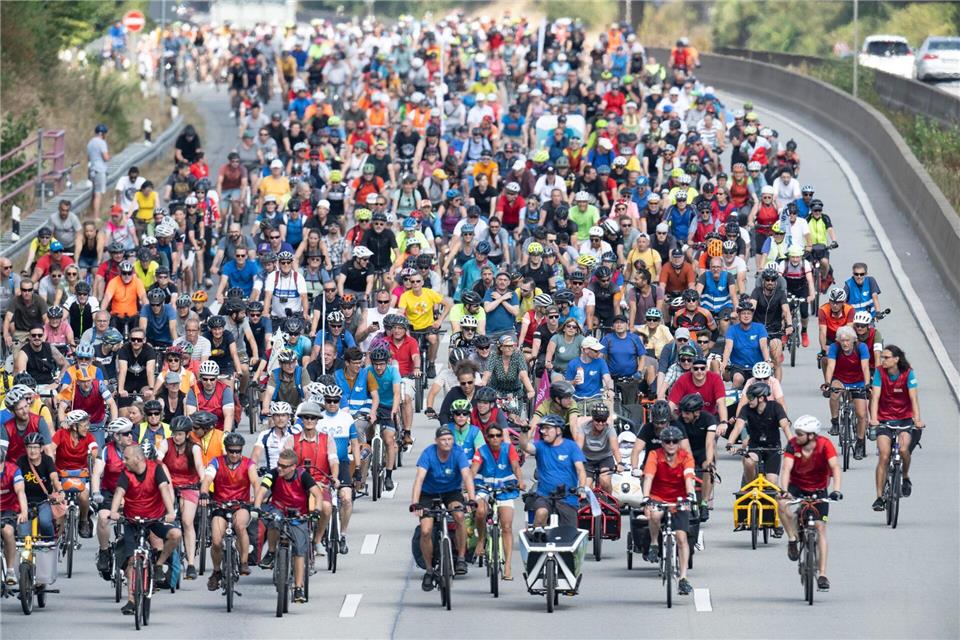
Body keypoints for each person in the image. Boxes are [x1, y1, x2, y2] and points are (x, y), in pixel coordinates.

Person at [108, 442, 182, 608]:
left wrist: (170, 513)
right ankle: (131, 601)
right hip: (132, 521)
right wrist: (113, 511)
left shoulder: (156, 469)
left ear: (138, 458)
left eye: (126, 458)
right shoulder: (126, 473)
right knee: (132, 561)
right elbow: (119, 492)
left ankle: (159, 564)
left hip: (154, 519)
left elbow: (164, 489)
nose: (124, 461)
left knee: (175, 535)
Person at [776, 415, 843, 593]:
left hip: (819, 489)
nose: (796, 437)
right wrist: (784, 490)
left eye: (800, 434)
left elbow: (835, 467)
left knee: (820, 528)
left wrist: (836, 490)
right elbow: (786, 469)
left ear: (812, 435)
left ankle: (822, 574)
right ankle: (792, 538)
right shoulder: (793, 445)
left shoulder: (825, 445)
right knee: (781, 504)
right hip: (796, 486)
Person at [410, 425, 477, 590]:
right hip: (428, 493)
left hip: (451, 492)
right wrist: (415, 503)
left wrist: (472, 499)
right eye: (443, 440)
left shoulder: (458, 453)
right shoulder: (428, 453)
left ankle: (461, 558)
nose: (447, 443)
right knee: (426, 530)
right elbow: (419, 478)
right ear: (436, 441)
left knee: (460, 516)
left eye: (449, 440)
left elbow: (467, 476)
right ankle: (429, 570)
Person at [254, 448, 323, 604]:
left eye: (284, 466)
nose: (280, 468)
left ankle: (298, 587)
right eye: (279, 464)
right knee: (273, 520)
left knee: (299, 549)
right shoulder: (273, 474)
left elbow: (317, 494)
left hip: (299, 514)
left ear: (293, 467)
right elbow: (262, 490)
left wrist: (317, 510)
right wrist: (257, 507)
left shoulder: (303, 476)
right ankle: (271, 552)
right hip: (278, 508)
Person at [639, 424, 696, 596]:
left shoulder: (686, 457)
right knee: (654, 514)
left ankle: (683, 578)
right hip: (658, 495)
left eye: (674, 441)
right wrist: (646, 498)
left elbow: (689, 479)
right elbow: (648, 476)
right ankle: (655, 544)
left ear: (679, 443)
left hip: (679, 499)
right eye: (667, 441)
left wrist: (691, 496)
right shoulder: (654, 455)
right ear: (662, 443)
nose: (671, 444)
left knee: (681, 537)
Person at [200, 431, 259, 590]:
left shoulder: (249, 464)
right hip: (220, 504)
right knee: (217, 541)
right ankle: (217, 571)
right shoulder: (216, 462)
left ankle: (244, 562)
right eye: (231, 450)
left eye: (238, 451)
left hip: (241, 504)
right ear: (226, 449)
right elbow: (207, 479)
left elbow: (255, 481)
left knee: (240, 526)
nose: (234, 454)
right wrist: (204, 492)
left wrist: (256, 498)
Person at [869, 345, 923, 511]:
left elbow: (913, 398)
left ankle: (905, 476)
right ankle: (879, 497)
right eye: (882, 357)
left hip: (904, 420)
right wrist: (874, 419)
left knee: (904, 450)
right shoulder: (879, 372)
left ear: (896, 359)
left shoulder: (908, 373)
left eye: (886, 357)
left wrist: (918, 420)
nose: (882, 360)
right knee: (884, 456)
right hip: (885, 420)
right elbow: (875, 396)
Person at [470, 422, 524, 580]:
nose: (495, 439)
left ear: (502, 438)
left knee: (506, 526)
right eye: (491, 436)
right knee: (480, 511)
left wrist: (520, 481)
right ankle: (480, 540)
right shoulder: (481, 451)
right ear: (487, 438)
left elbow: (515, 466)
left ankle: (507, 566)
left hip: (505, 491)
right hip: (484, 488)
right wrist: (468, 486)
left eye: (498, 435)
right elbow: (473, 469)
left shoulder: (509, 449)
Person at [516, 414, 586, 533]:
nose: (543, 432)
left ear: (558, 430)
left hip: (568, 497)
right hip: (544, 495)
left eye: (548, 428)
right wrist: (524, 431)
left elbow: (580, 470)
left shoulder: (571, 446)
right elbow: (525, 446)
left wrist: (582, 488)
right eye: (542, 428)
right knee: (541, 512)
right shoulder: (540, 446)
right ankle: (538, 537)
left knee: (569, 534)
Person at [285, 400, 339, 555]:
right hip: (297, 485)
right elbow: (285, 461)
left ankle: (317, 540)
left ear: (317, 420)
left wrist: (334, 477)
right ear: (302, 419)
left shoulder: (326, 439)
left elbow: (334, 461)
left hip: (320, 484)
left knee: (327, 508)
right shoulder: (292, 439)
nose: (309, 420)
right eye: (306, 417)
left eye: (313, 418)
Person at [317, 384, 360, 555]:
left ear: (340, 401)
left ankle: (342, 534)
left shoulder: (347, 418)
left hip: (341, 463)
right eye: (329, 400)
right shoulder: (318, 419)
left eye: (335, 401)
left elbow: (355, 444)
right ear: (324, 401)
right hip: (322, 464)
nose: (332, 403)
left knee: (347, 499)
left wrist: (357, 467)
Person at [91, 417, 135, 577]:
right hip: (110, 492)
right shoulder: (105, 450)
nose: (130, 436)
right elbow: (96, 473)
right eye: (126, 434)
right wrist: (95, 493)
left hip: (133, 493)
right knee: (103, 518)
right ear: (116, 436)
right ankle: (104, 552)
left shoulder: (137, 449)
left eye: (131, 432)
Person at [162, 416, 203, 579]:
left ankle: (191, 563)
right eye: (174, 434)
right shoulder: (166, 443)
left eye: (180, 434)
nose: (176, 437)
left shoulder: (194, 448)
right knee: (167, 520)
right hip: (168, 484)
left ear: (187, 434)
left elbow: (200, 466)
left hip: (190, 485)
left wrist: (204, 485)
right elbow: (158, 458)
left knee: (187, 521)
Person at [822, 325, 870, 459]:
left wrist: (867, 384)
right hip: (841, 379)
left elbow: (865, 367)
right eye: (842, 340)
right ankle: (835, 422)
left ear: (853, 340)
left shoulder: (861, 347)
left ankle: (860, 444)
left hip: (858, 381)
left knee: (861, 415)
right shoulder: (834, 347)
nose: (845, 343)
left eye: (847, 340)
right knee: (834, 393)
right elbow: (831, 366)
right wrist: (827, 382)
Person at [16, 432, 62, 541]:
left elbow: (54, 477)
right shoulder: (21, 461)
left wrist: (60, 491)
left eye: (36, 447)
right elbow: (15, 480)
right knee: (23, 534)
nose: (32, 451)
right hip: (25, 502)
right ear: (26, 448)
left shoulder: (47, 460)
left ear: (41, 449)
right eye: (29, 447)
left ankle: (50, 545)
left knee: (45, 522)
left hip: (43, 501)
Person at [721, 300, 770, 390]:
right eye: (743, 313)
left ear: (752, 315)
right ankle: (733, 402)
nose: (746, 316)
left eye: (749, 313)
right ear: (739, 315)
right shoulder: (732, 329)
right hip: (738, 367)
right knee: (737, 379)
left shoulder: (760, 328)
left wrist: (767, 361)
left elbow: (763, 346)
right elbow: (728, 347)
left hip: (756, 367)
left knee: (762, 386)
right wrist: (724, 363)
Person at [1, 438, 29, 580]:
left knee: (7, 531)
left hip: (8, 509)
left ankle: (11, 569)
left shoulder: (13, 470)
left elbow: (20, 492)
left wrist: (24, 512)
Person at [580, 404, 622, 493]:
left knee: (605, 481)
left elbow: (615, 449)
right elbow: (578, 447)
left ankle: (609, 502)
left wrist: (620, 463)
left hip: (605, 458)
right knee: (586, 487)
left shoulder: (610, 428)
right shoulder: (584, 427)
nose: (600, 423)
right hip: (587, 459)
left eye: (603, 420)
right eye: (598, 420)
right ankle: (589, 505)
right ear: (593, 419)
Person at [87, 124, 111, 217]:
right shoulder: (101, 143)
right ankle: (96, 216)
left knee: (94, 193)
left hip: (92, 169)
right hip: (99, 170)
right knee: (98, 194)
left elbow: (89, 157)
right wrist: (108, 157)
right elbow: (105, 157)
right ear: (102, 133)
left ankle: (91, 213)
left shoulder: (90, 142)